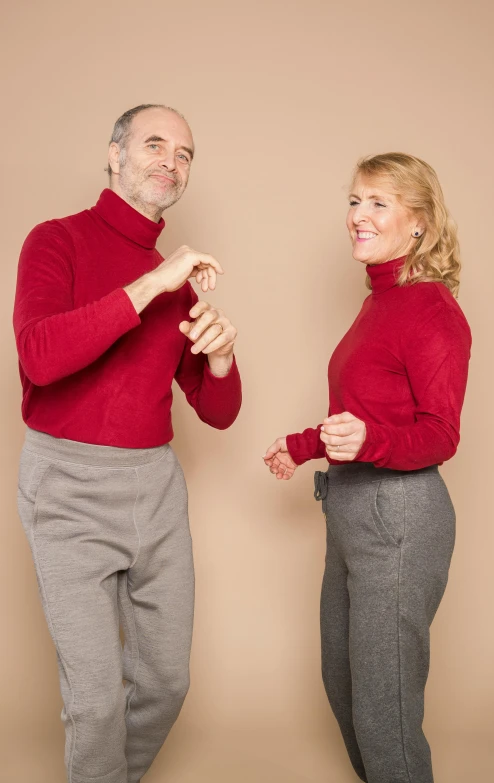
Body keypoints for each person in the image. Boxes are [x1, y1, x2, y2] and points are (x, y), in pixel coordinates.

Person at [14, 104, 242, 783]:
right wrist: (151, 283)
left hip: (155, 490)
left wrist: (224, 358)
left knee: (167, 681)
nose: (171, 160)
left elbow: (220, 411)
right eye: (154, 144)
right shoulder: (55, 242)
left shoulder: (178, 278)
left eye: (185, 152)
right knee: (94, 700)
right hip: (67, 488)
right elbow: (40, 358)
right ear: (114, 155)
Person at [263, 152, 471, 783]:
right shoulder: (378, 303)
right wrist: (301, 445)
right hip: (354, 512)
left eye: (378, 202)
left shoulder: (431, 309)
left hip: (400, 519)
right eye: (354, 200)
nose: (358, 215)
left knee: (386, 709)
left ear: (421, 225)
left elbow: (439, 434)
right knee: (345, 682)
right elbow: (363, 415)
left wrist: (369, 440)